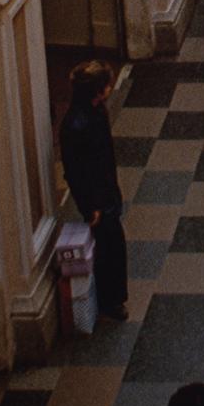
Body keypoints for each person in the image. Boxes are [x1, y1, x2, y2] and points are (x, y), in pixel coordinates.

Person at [58, 60, 128, 321]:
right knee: (109, 248)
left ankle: (112, 298)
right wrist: (91, 206)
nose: (109, 89)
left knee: (112, 246)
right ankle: (111, 300)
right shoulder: (78, 125)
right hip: (99, 198)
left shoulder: (93, 113)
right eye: (106, 86)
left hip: (106, 191)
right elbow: (76, 173)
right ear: (98, 91)